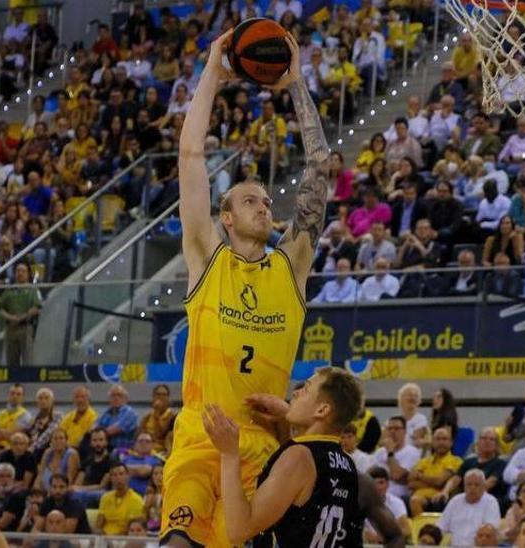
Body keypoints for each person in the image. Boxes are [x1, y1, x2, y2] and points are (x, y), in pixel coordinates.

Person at [164, 31, 332, 548]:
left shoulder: (291, 268)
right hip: (198, 435)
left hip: (259, 447)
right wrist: (214, 71)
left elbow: (320, 167)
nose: (264, 206)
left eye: (266, 200)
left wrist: (298, 83)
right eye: (250, 201)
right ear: (226, 217)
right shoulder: (206, 259)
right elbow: (190, 153)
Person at [203, 367, 365, 546]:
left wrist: (229, 454)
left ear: (322, 410)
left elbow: (240, 530)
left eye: (306, 389)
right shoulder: (347, 463)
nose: (295, 392)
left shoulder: (299, 457)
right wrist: (285, 417)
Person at [438, 470, 502, 547]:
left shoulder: (491, 502)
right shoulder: (455, 501)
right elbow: (441, 527)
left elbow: (489, 532)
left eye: (477, 485)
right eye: (469, 484)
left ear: (483, 487)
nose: (472, 488)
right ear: (464, 487)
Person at [407, 427, 460, 516]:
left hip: (438, 498)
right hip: (420, 496)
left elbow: (439, 482)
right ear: (432, 442)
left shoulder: (456, 461)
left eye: (444, 439)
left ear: (451, 443)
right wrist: (434, 483)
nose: (441, 442)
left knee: (414, 500)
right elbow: (410, 483)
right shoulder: (424, 461)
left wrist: (420, 476)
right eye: (437, 439)